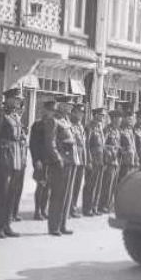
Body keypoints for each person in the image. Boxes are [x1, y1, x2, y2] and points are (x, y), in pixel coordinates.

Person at [0, 87, 24, 238]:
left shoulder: (15, 116)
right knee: (1, 193)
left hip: (15, 157)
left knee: (12, 194)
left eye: (19, 99)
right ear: (7, 99)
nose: (17, 101)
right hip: (3, 158)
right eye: (15, 99)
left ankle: (7, 224)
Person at [43, 95, 78, 236]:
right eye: (68, 104)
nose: (71, 107)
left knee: (67, 195)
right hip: (61, 163)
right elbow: (50, 143)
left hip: (71, 162)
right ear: (61, 105)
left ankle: (62, 224)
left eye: (71, 105)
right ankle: (54, 227)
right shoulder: (53, 121)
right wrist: (58, 159)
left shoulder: (66, 121)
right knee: (58, 195)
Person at [29, 100, 56, 220]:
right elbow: (33, 144)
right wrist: (36, 160)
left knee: (49, 186)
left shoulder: (55, 124)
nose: (51, 113)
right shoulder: (37, 124)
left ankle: (43, 210)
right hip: (41, 160)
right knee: (41, 185)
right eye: (49, 110)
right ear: (44, 110)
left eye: (53, 111)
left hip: (51, 160)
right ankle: (37, 211)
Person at [84, 107, 106, 216]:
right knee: (90, 185)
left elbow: (102, 144)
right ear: (96, 115)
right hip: (93, 160)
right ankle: (87, 208)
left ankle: (94, 207)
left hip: (100, 160)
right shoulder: (89, 127)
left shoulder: (100, 127)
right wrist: (88, 160)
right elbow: (87, 145)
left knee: (98, 185)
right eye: (101, 115)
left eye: (103, 115)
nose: (103, 117)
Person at [99, 110, 122, 213]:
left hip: (116, 160)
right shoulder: (107, 130)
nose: (119, 121)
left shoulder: (117, 131)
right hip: (109, 161)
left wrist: (119, 149)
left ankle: (109, 204)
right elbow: (102, 145)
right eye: (117, 119)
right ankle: (103, 204)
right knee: (107, 184)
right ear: (113, 119)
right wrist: (112, 150)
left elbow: (118, 144)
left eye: (120, 119)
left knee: (113, 184)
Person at [69, 103, 87, 219]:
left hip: (80, 159)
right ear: (73, 112)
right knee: (70, 186)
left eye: (82, 113)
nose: (80, 115)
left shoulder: (81, 126)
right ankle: (67, 209)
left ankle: (73, 208)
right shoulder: (69, 124)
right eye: (78, 113)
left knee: (77, 186)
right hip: (72, 159)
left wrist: (85, 160)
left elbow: (83, 145)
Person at [12, 100, 29, 222]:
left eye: (22, 111)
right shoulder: (12, 124)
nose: (21, 112)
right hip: (14, 159)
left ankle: (14, 212)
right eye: (19, 110)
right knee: (12, 189)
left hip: (22, 160)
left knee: (18, 188)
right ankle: (10, 213)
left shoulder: (21, 125)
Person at [118, 110, 138, 183]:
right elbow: (117, 145)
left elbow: (133, 146)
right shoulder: (120, 130)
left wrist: (136, 158)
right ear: (123, 118)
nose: (131, 121)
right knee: (121, 181)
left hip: (131, 161)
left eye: (132, 119)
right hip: (123, 161)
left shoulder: (130, 130)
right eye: (129, 119)